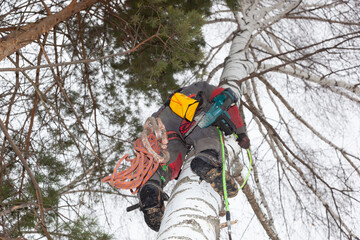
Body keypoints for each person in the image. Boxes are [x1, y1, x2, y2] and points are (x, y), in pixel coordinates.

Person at [138, 81, 250, 231]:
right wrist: (241, 132)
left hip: (163, 121)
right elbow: (227, 101)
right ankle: (206, 161)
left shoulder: (176, 97)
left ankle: (151, 189)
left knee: (169, 161)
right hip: (191, 115)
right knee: (209, 134)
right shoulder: (204, 88)